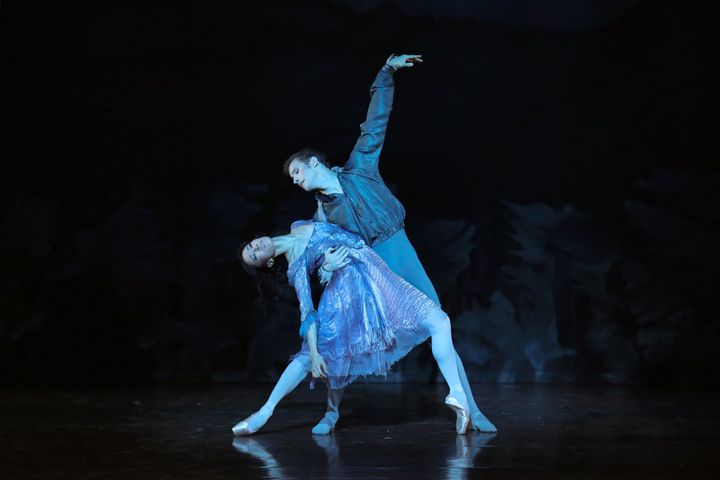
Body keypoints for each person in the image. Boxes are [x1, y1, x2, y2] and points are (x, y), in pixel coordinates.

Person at [284, 54, 496, 433]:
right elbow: (312, 256)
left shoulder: (359, 168)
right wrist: (325, 268)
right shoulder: (322, 214)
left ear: (315, 162)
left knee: (437, 323)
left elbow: (375, 124)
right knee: (340, 336)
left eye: (297, 172)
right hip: (370, 266)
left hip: (400, 249)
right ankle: (332, 412)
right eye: (292, 178)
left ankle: (472, 410)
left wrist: (386, 73)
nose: (296, 180)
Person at [233, 221, 474, 435]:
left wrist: (325, 269)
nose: (256, 248)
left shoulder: (298, 225)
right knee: (327, 355)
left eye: (252, 246)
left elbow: (331, 220)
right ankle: (270, 411)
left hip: (375, 276)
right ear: (268, 262)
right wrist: (316, 354)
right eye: (254, 255)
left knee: (438, 321)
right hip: (343, 298)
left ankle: (457, 394)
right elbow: (307, 312)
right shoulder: (295, 266)